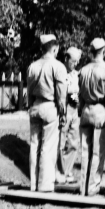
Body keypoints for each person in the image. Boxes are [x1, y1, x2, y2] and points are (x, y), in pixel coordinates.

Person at [26, 34, 68, 193]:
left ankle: (33, 184)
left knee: (34, 145)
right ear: (55, 48)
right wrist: (62, 113)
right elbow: (61, 94)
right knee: (48, 147)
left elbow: (28, 92)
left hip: (35, 106)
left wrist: (30, 106)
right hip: (50, 107)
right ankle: (45, 185)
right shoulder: (58, 67)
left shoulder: (32, 66)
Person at [77, 38, 105, 196]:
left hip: (86, 110)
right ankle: (93, 186)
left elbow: (79, 94)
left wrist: (81, 110)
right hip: (101, 110)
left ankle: (83, 187)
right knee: (97, 152)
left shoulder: (83, 70)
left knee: (85, 151)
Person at [56, 46, 82, 184]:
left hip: (74, 111)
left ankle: (66, 170)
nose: (76, 64)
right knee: (60, 141)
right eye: (73, 61)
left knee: (73, 142)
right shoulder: (59, 72)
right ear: (66, 59)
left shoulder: (76, 75)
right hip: (63, 109)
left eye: (78, 61)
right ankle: (59, 172)